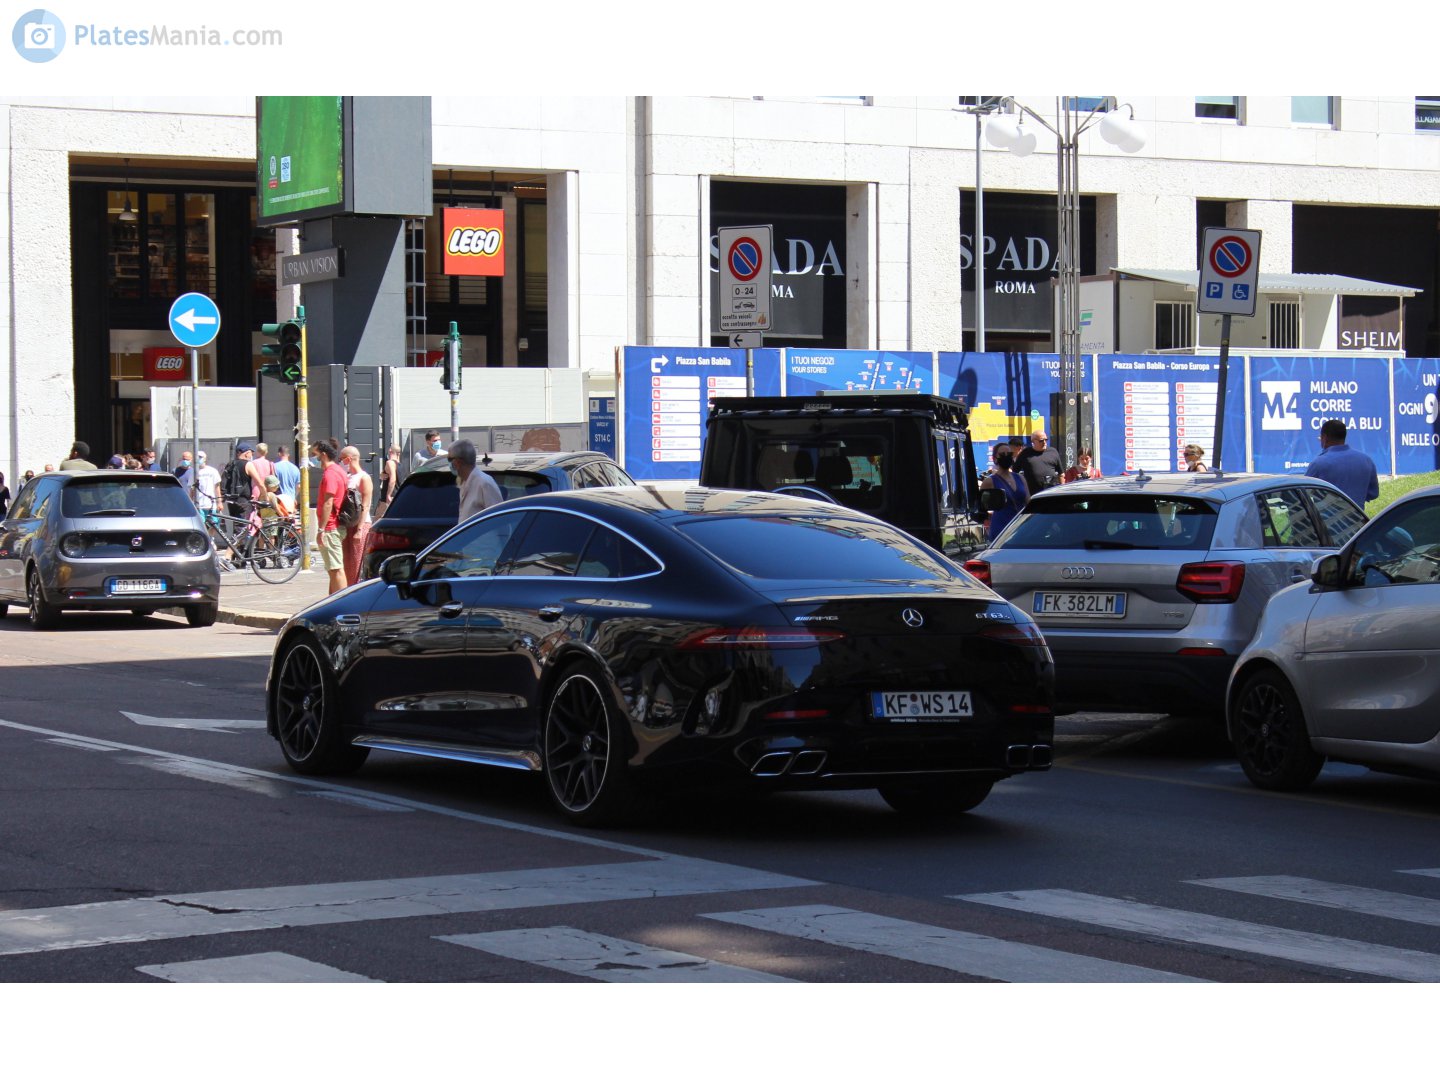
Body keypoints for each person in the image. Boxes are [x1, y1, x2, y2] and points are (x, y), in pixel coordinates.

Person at [1306, 418, 1380, 508]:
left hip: (1326, 520)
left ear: (1324, 438)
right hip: (1358, 519)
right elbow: (1373, 494)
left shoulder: (1318, 463)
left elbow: (1303, 493)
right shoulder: (1366, 460)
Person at [312, 438, 349, 595]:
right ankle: (334, 601)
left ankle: (342, 604)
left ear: (324, 455)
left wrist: (321, 529)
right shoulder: (339, 471)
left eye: (315, 454)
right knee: (334, 569)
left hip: (330, 527)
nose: (314, 458)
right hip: (335, 525)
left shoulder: (330, 474)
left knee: (335, 569)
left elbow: (328, 502)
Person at [340, 445, 374, 587]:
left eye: (341, 459)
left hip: (360, 524)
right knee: (346, 563)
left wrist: (360, 530)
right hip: (347, 525)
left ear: (349, 459)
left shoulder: (363, 477)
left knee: (356, 563)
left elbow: (365, 504)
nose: (340, 462)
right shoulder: (347, 476)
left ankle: (355, 590)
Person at [980, 445, 1028, 538]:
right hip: (1001, 531)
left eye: (1009, 454)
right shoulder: (989, 481)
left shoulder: (1021, 478)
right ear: (995, 458)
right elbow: (981, 507)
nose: (1006, 457)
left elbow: (1028, 502)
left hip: (1020, 529)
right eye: (1002, 454)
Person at [449, 439, 502, 522]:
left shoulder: (484, 483)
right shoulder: (464, 483)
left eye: (449, 459)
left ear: (458, 462)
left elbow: (498, 520)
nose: (449, 464)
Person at [1016, 429, 1064, 501]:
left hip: (1051, 493)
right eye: (1041, 440)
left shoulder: (1053, 452)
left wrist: (1062, 490)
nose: (1044, 442)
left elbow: (1061, 474)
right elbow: (1015, 472)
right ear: (1033, 441)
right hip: (1032, 495)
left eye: (1046, 439)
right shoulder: (1025, 453)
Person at [187, 450, 223, 515]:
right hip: (199, 505)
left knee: (213, 523)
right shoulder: (193, 472)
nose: (198, 459)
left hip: (212, 505)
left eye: (200, 457)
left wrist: (219, 502)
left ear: (205, 459)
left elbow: (217, 487)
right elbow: (192, 489)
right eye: (197, 457)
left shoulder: (212, 471)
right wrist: (190, 503)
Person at [247, 441, 275, 509]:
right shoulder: (270, 463)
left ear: (257, 451)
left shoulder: (252, 463)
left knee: (254, 511)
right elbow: (273, 478)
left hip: (255, 489)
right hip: (266, 490)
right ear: (266, 452)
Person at [375, 445, 400, 520]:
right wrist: (382, 474)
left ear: (390, 451)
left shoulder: (389, 463)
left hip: (389, 495)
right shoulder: (400, 465)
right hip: (398, 494)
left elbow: (393, 479)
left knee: (378, 518)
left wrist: (388, 495)